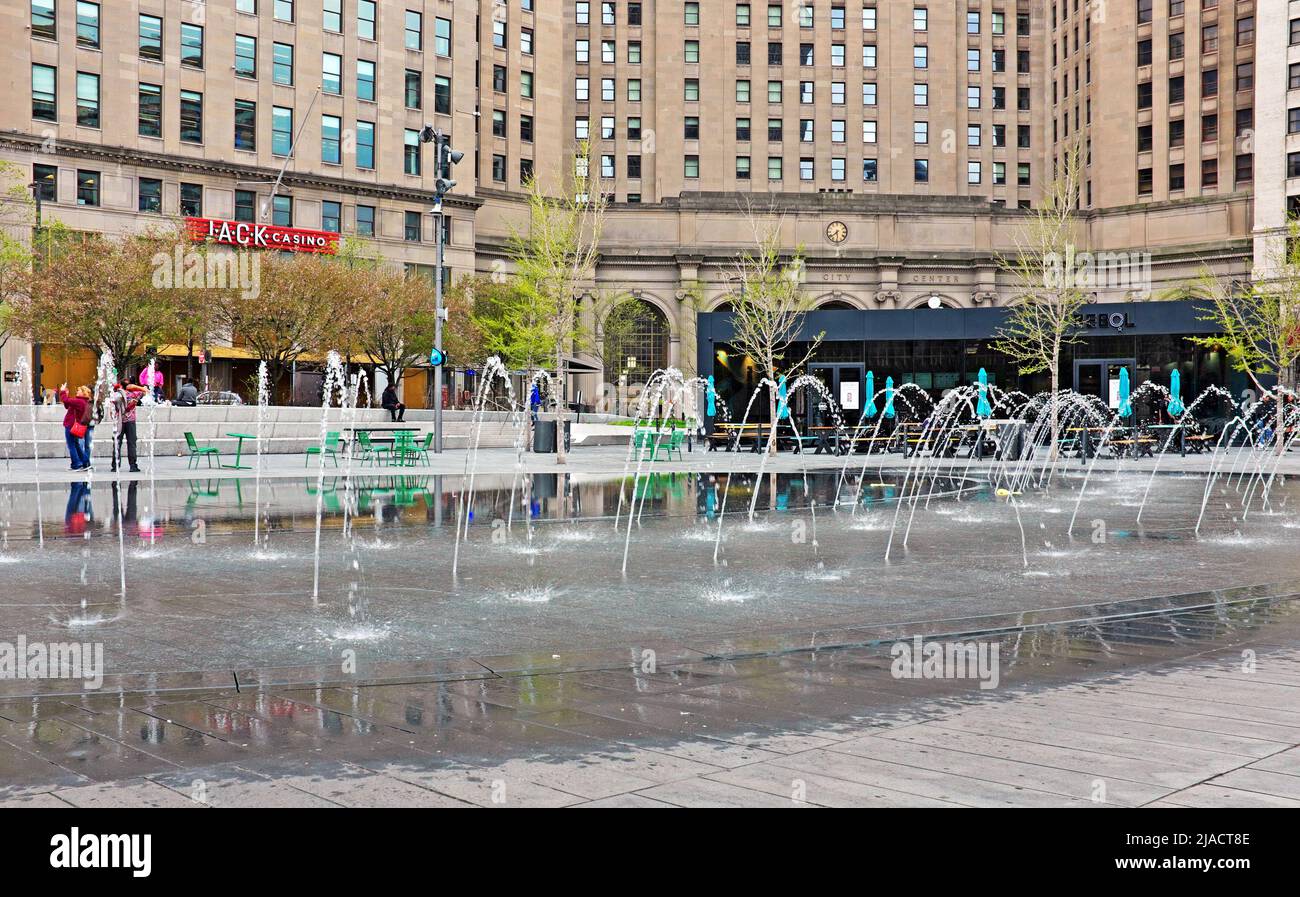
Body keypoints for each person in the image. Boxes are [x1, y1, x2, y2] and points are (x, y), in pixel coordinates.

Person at [110, 380, 145, 473]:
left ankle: (115, 466)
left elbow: (111, 409)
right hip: (130, 421)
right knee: (132, 444)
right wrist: (137, 387)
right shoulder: (134, 394)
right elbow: (144, 391)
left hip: (119, 422)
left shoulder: (116, 395)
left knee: (117, 443)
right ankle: (133, 466)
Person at [57, 383, 92, 470]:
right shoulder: (82, 401)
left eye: (79, 390)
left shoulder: (79, 401)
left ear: (83, 393)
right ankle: (85, 462)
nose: (77, 391)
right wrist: (66, 394)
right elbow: (67, 405)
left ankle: (76, 464)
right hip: (75, 425)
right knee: (76, 444)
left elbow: (66, 400)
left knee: (71, 445)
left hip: (71, 425)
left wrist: (62, 391)